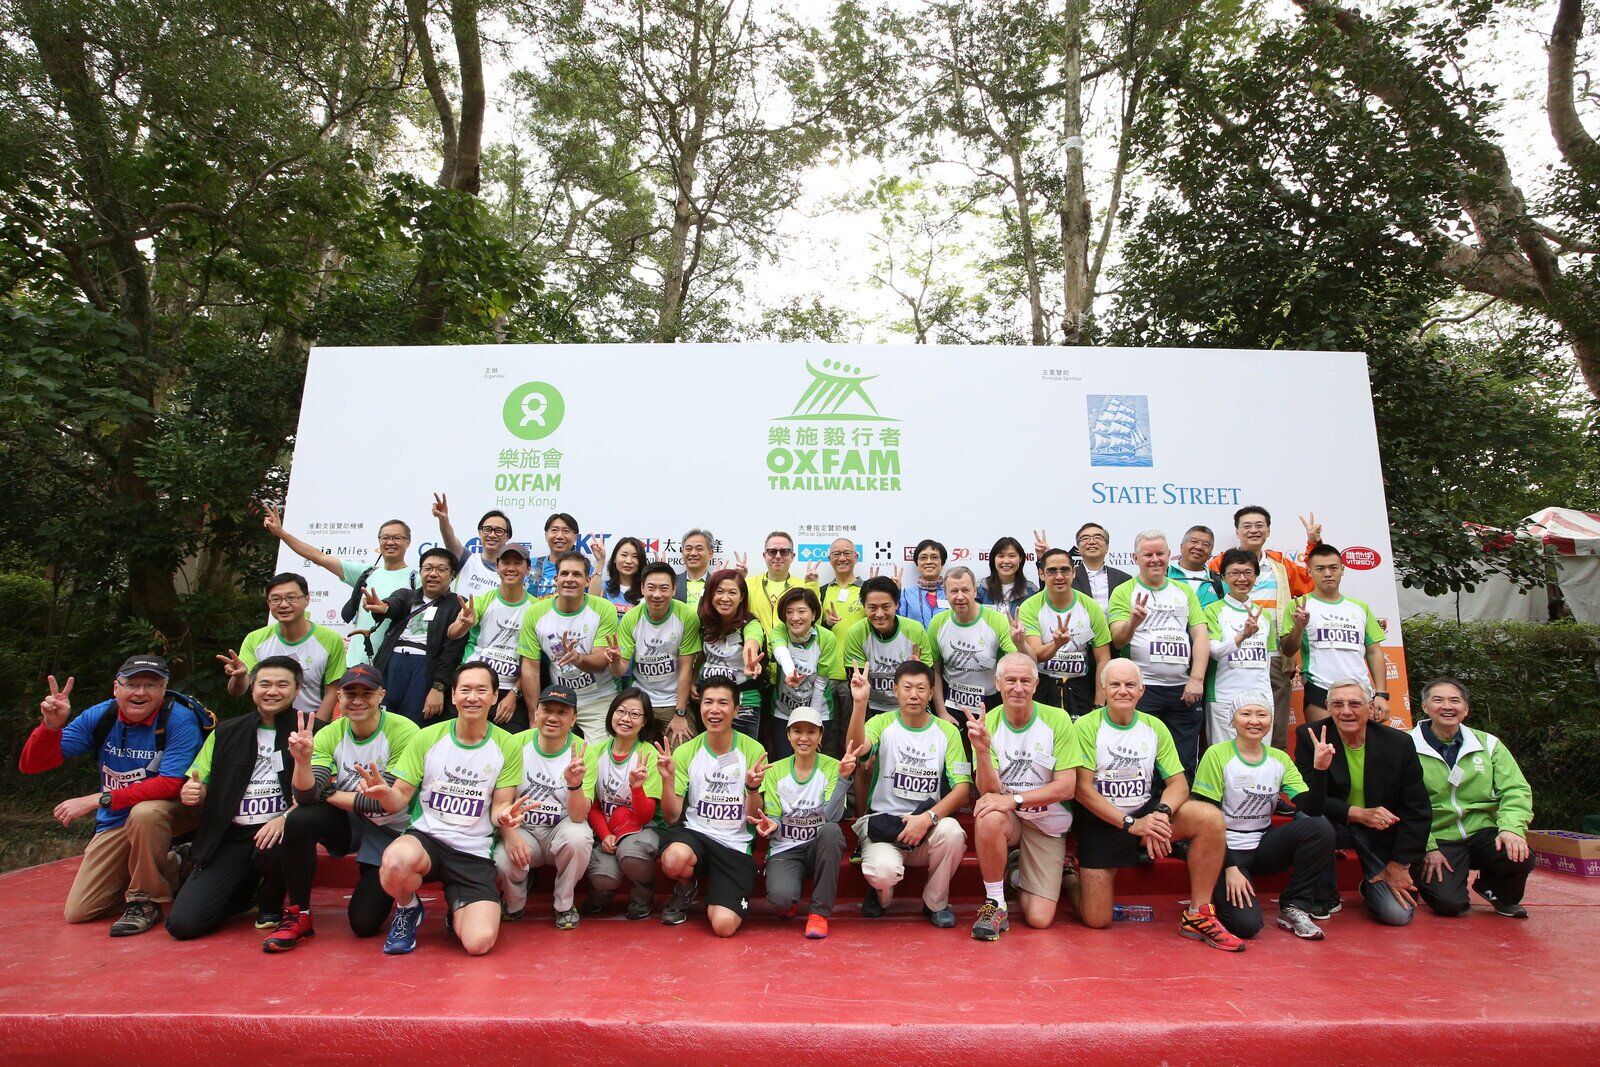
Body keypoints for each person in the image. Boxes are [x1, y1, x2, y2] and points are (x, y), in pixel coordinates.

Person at [1062, 660, 1244, 951]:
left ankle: (1198, 913)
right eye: (1116, 685)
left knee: (1209, 818)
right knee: (1096, 919)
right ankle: (1069, 877)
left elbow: (1179, 784)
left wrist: (1161, 814)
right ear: (1104, 689)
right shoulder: (1086, 726)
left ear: (1141, 690)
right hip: (1104, 820)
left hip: (1146, 813)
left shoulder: (1154, 726)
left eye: (1130, 685)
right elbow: (1082, 790)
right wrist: (1131, 825)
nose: (1123, 691)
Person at [19, 656, 206, 936]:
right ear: (116, 688)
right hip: (118, 818)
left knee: (146, 813)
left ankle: (145, 902)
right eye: (131, 684)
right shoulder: (102, 716)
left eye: (151, 685)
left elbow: (169, 784)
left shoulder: (179, 718)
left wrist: (99, 799)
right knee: (80, 911)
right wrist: (50, 727)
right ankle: (178, 863)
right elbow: (32, 764)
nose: (140, 692)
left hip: (176, 809)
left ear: (164, 688)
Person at [362, 661, 526, 956]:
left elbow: (500, 802)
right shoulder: (427, 737)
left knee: (479, 944)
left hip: (473, 851)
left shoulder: (507, 745)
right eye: (465, 689)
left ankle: (458, 907)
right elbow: (400, 796)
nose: (472, 697)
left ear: (494, 697)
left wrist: (504, 816)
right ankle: (408, 909)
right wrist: (385, 795)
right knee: (396, 861)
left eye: (481, 690)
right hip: (427, 839)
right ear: (453, 696)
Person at [273, 665, 420, 951]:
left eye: (367, 693)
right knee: (300, 819)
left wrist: (324, 791)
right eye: (350, 693)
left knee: (363, 925)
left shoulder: (404, 730)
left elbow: (378, 801)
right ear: (339, 696)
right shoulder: (330, 733)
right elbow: (305, 798)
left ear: (382, 695)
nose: (357, 700)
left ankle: (403, 897)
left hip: (394, 830)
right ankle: (298, 912)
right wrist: (302, 764)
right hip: (350, 821)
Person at [166, 656, 301, 941]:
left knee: (283, 841)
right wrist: (193, 792)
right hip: (231, 833)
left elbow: (322, 789)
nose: (272, 691)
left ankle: (271, 902)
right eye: (264, 684)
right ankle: (243, 892)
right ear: (252, 689)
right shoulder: (226, 731)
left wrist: (286, 817)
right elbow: (197, 780)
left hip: (281, 831)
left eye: (282, 684)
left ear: (297, 689)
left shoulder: (312, 729)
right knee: (183, 925)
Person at [1192, 692, 1334, 941]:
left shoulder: (1279, 759)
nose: (1254, 721)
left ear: (1270, 720)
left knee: (1319, 827)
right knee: (1247, 926)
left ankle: (1295, 905)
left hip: (1264, 845)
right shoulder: (1216, 754)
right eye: (1245, 714)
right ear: (1232, 720)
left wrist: (1320, 770)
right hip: (1223, 850)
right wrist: (1230, 867)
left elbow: (1311, 809)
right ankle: (1218, 889)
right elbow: (1205, 821)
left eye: (1262, 714)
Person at [1292, 679, 1429, 926]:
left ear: (1370, 707)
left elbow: (1417, 808)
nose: (1346, 711)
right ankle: (1324, 895)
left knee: (1395, 916)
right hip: (1335, 824)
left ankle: (1370, 887)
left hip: (1382, 833)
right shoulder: (1310, 736)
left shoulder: (1398, 743)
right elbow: (1308, 800)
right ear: (1327, 706)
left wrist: (1400, 864)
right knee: (1308, 819)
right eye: (1337, 704)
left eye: (1355, 704)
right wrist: (1357, 813)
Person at [845, 661, 971, 928]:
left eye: (921, 689)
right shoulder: (881, 722)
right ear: (895, 691)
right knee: (883, 872)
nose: (914, 694)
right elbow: (856, 749)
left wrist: (927, 818)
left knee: (953, 832)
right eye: (907, 688)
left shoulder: (947, 731)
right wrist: (860, 703)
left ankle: (935, 902)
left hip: (925, 823)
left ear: (930, 693)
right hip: (884, 822)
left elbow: (962, 789)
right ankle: (881, 894)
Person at [966, 653, 1083, 941]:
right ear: (997, 683)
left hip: (1047, 824)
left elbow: (1067, 787)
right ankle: (996, 903)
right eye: (1010, 680)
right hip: (1011, 821)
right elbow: (989, 792)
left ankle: (1027, 869)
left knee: (1039, 919)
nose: (1018, 687)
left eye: (1025, 681)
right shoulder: (986, 723)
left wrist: (1014, 799)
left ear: (1036, 684)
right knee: (988, 813)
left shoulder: (1057, 720)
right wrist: (981, 750)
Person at [1412, 677, 1535, 919]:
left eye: (1455, 701)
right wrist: (1427, 846)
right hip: (1436, 836)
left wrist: (1511, 829)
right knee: (1450, 905)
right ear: (1425, 707)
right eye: (1438, 700)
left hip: (1481, 831)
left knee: (1519, 854)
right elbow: (1399, 801)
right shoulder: (1405, 745)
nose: (1447, 706)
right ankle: (1418, 873)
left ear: (1465, 709)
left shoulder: (1488, 744)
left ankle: (1496, 890)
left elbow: (1515, 789)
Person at [656, 677, 769, 936]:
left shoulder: (753, 750)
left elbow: (753, 817)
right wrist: (668, 779)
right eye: (708, 702)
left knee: (724, 926)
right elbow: (672, 816)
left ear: (736, 710)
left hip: (734, 845)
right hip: (697, 836)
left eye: (722, 703)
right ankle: (686, 886)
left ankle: (720, 895)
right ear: (700, 707)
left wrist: (751, 788)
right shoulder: (686, 752)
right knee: (674, 859)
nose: (714, 709)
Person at [1208, 506, 1320, 748]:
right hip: (1229, 657)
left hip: (1272, 654)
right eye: (1247, 526)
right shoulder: (1218, 564)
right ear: (1237, 531)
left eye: (1259, 525)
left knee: (1274, 724)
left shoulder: (1281, 565)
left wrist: (1314, 545)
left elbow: (1312, 581)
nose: (1254, 530)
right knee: (1226, 728)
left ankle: (1270, 780)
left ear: (1268, 531)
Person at [748, 708, 862, 940]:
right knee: (781, 899)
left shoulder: (832, 766)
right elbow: (776, 817)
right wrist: (773, 825)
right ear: (788, 734)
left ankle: (819, 914)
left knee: (831, 832)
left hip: (818, 846)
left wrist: (842, 780)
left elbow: (832, 816)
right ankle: (787, 900)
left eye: (811, 732)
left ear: (820, 736)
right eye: (798, 731)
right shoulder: (775, 770)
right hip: (786, 848)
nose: (804, 737)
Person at [1107, 531, 1209, 780]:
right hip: (1143, 690)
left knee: (1184, 760)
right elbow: (1118, 640)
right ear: (1135, 558)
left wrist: (1196, 679)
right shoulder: (1123, 591)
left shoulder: (1184, 591)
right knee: (1144, 756)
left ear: (1169, 555)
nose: (1155, 559)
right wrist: (1133, 621)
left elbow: (1201, 636)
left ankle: (1182, 812)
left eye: (1160, 554)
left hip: (1182, 690)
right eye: (1148, 554)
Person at [261, 505, 417, 666]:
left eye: (397, 538)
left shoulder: (416, 578)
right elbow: (318, 557)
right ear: (379, 541)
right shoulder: (366, 573)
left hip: (393, 664)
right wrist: (281, 533)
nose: (390, 542)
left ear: (408, 542)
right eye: (385, 537)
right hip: (355, 664)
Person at [496, 685, 596, 931]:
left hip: (558, 830)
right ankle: (514, 904)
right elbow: (501, 800)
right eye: (547, 710)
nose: (553, 717)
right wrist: (509, 835)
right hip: (523, 828)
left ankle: (564, 904)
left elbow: (579, 815)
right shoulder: (515, 743)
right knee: (501, 858)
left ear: (573, 719)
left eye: (562, 712)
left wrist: (575, 785)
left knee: (579, 837)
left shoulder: (585, 752)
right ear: (536, 713)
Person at [517, 550, 621, 744]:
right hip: (559, 698)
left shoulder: (603, 608)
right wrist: (534, 716)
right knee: (546, 751)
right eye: (564, 574)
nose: (569, 579)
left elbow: (601, 661)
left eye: (577, 574)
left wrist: (578, 658)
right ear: (556, 579)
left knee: (599, 756)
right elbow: (530, 669)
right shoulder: (535, 613)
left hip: (600, 697)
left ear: (588, 581)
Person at [1280, 543, 1390, 723]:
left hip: (1360, 691)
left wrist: (1382, 694)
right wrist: (1299, 627)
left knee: (1363, 747)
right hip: (1320, 689)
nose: (1328, 573)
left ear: (1342, 569)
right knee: (1325, 747)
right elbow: (1288, 650)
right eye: (1320, 569)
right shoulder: (1298, 605)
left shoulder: (1360, 607)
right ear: (1309, 572)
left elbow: (1374, 651)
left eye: (1333, 568)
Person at [581, 688, 666, 919]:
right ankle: (602, 896)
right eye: (621, 711)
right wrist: (605, 833)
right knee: (603, 877)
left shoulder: (648, 755)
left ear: (645, 720)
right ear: (611, 714)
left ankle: (642, 898)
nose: (626, 718)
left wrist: (637, 788)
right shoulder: (595, 752)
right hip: (607, 828)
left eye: (635, 714)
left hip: (642, 829)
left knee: (631, 853)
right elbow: (594, 805)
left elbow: (646, 815)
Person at [218, 572, 345, 721]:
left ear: (307, 599)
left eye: (291, 598)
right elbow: (237, 691)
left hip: (309, 723)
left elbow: (333, 691)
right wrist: (239, 676)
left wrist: (315, 729)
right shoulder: (255, 639)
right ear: (269, 603)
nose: (284, 605)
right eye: (276, 599)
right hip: (266, 724)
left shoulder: (330, 640)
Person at [364, 547, 468, 726]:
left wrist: (438, 687)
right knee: (381, 722)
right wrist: (384, 607)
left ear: (453, 575)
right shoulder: (407, 595)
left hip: (425, 669)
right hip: (391, 664)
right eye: (427, 568)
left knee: (414, 725)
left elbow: (452, 653)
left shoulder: (458, 605)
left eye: (441, 569)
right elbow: (392, 604)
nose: (433, 574)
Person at [615, 562, 703, 747]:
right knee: (633, 752)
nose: (657, 594)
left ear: (673, 589)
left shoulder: (686, 616)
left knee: (682, 748)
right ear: (642, 588)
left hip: (674, 700)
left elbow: (686, 668)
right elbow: (619, 670)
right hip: (641, 699)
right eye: (651, 588)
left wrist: (680, 713)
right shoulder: (631, 618)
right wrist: (614, 661)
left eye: (664, 588)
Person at [450, 542, 534, 732]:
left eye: (517, 563)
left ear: (528, 568)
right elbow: (453, 633)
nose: (510, 568)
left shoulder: (535, 609)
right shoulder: (482, 601)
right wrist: (463, 623)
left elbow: (532, 662)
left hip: (509, 690)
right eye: (505, 563)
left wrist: (514, 693)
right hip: (473, 683)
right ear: (497, 567)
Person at [1017, 548, 1110, 718]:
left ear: (1074, 572)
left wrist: (1098, 704)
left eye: (1065, 570)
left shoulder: (1090, 607)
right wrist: (1056, 644)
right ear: (1042, 574)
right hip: (1042, 686)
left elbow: (1103, 659)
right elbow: (1035, 654)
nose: (1059, 576)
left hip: (1080, 687)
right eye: (1052, 571)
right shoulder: (1030, 607)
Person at [1203, 549, 1278, 745]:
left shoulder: (1264, 615)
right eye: (1234, 573)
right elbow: (1215, 652)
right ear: (1223, 577)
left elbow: (1266, 662)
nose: (1241, 579)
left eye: (1248, 573)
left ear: (1256, 576)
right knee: (1223, 758)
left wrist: (1266, 696)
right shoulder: (1213, 610)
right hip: (1224, 696)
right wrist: (1242, 636)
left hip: (1261, 697)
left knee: (1259, 755)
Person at [926, 566, 1017, 721]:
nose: (960, 596)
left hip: (990, 704)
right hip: (951, 705)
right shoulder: (937, 623)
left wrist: (1021, 644)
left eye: (965, 590)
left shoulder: (996, 620)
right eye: (954, 591)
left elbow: (1016, 662)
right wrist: (941, 712)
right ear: (945, 594)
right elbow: (935, 671)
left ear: (975, 591)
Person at [842, 576, 935, 717]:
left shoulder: (915, 630)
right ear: (864, 607)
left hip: (908, 706)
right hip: (871, 706)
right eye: (872, 607)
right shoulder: (856, 633)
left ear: (897, 604)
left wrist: (918, 671)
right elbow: (857, 685)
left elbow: (928, 683)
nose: (879, 614)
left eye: (886, 607)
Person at [768, 587, 844, 758]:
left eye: (801, 611)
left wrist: (813, 721)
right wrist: (790, 673)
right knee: (784, 760)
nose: (795, 618)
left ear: (814, 614)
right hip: (783, 710)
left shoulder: (826, 638)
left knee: (813, 761)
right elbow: (781, 652)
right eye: (789, 612)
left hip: (819, 709)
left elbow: (821, 682)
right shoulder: (779, 631)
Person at [693, 568, 765, 737]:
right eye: (719, 592)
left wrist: (751, 662)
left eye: (732, 592)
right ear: (711, 595)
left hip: (744, 704)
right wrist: (693, 679)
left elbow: (752, 643)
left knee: (743, 758)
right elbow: (702, 655)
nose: (725, 598)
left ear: (741, 597)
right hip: (709, 703)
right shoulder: (704, 622)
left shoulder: (751, 624)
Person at [430, 494, 514, 602]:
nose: (492, 535)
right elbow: (449, 539)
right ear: (479, 532)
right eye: (487, 529)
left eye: (499, 531)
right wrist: (443, 519)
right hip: (457, 618)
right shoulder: (466, 558)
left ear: (508, 536)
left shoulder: (510, 572)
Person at [746, 530, 819, 630]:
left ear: (792, 556)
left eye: (784, 552)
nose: (778, 556)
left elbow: (815, 622)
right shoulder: (749, 584)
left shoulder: (803, 587)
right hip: (756, 645)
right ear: (764, 555)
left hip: (791, 645)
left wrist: (812, 586)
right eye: (772, 552)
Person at [1071, 523, 1131, 610]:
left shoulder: (1124, 579)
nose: (1091, 542)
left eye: (1098, 537)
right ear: (1078, 548)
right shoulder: (1068, 577)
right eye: (1085, 538)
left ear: (1107, 547)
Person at [819, 537, 868, 641]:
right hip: (829, 656)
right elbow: (813, 630)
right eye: (836, 554)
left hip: (861, 656)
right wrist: (827, 623)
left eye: (847, 553)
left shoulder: (868, 590)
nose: (842, 558)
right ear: (829, 558)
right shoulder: (821, 591)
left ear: (856, 557)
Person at [978, 535, 1038, 617]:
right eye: (1001, 556)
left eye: (1012, 556)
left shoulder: (1031, 591)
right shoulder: (980, 589)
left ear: (1020, 558)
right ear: (993, 559)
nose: (1006, 561)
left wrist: (1042, 559)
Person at [528, 512, 583, 598]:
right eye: (554, 530)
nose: (559, 536)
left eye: (566, 531)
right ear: (546, 536)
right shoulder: (531, 564)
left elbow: (593, 602)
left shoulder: (584, 567)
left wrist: (600, 561)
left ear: (575, 537)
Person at [897, 539, 948, 628]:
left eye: (934, 557)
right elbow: (897, 623)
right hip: (916, 642)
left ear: (942, 563)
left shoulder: (951, 593)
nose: (928, 562)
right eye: (923, 558)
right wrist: (895, 593)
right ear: (917, 564)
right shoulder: (905, 594)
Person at [1168, 526, 1222, 608]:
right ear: (1181, 547)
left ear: (1211, 553)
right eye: (1194, 541)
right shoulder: (1165, 574)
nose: (1199, 547)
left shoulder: (1218, 582)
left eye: (1205, 544)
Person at [594, 535, 646, 618]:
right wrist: (600, 561)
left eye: (635, 556)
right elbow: (591, 604)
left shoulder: (646, 591)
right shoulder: (604, 587)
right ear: (615, 558)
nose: (629, 561)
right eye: (624, 555)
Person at [674, 528, 716, 607]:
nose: (693, 553)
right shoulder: (672, 582)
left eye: (699, 549)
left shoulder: (717, 583)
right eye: (688, 549)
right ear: (682, 553)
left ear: (710, 553)